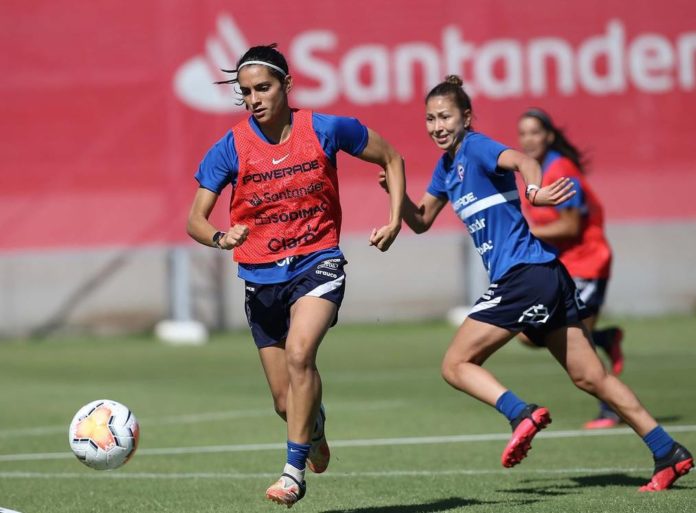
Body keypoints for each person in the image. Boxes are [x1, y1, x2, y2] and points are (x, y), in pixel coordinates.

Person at [378, 75, 693, 492]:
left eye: (445, 116)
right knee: (590, 378)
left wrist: (534, 190)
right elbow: (420, 222)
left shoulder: (476, 145)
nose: (437, 126)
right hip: (545, 274)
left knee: (455, 365)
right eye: (430, 118)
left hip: (523, 276)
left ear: (466, 117)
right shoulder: (445, 168)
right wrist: (396, 198)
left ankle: (519, 413)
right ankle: (667, 451)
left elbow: (523, 161)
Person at [187, 43, 405, 507]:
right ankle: (315, 430)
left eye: (263, 88)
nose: (254, 99)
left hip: (317, 263)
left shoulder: (325, 129)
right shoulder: (230, 147)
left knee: (301, 354)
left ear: (287, 86)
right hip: (261, 277)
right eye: (245, 92)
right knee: (285, 403)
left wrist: (394, 218)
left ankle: (292, 474)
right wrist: (221, 238)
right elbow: (196, 220)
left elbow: (391, 157)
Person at [517, 108, 625, 430]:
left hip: (589, 263)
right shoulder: (536, 172)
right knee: (528, 335)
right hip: (567, 267)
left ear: (549, 136)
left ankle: (610, 409)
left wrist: (524, 233)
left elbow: (570, 225)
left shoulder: (560, 169)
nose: (528, 139)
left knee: (581, 345)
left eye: (535, 132)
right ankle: (607, 337)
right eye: (522, 133)